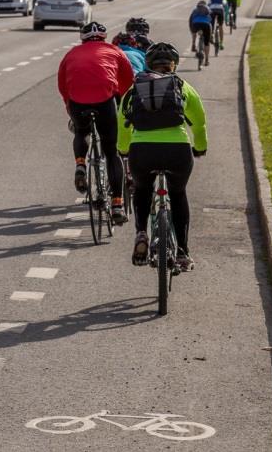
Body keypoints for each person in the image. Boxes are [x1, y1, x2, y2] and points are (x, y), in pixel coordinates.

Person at [117, 41, 207, 271]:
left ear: (148, 64)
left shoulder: (135, 88)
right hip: (177, 151)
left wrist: (124, 149)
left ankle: (141, 233)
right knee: (178, 194)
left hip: (142, 151)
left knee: (143, 189)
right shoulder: (182, 86)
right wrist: (200, 147)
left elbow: (122, 124)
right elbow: (199, 123)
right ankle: (183, 253)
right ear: (173, 65)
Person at [57, 21, 134, 225]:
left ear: (82, 38)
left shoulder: (71, 53)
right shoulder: (115, 51)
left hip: (77, 101)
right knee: (111, 153)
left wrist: (69, 106)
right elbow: (128, 82)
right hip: (104, 102)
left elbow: (62, 83)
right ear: (104, 37)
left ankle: (80, 164)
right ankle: (117, 204)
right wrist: (122, 106)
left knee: (80, 132)